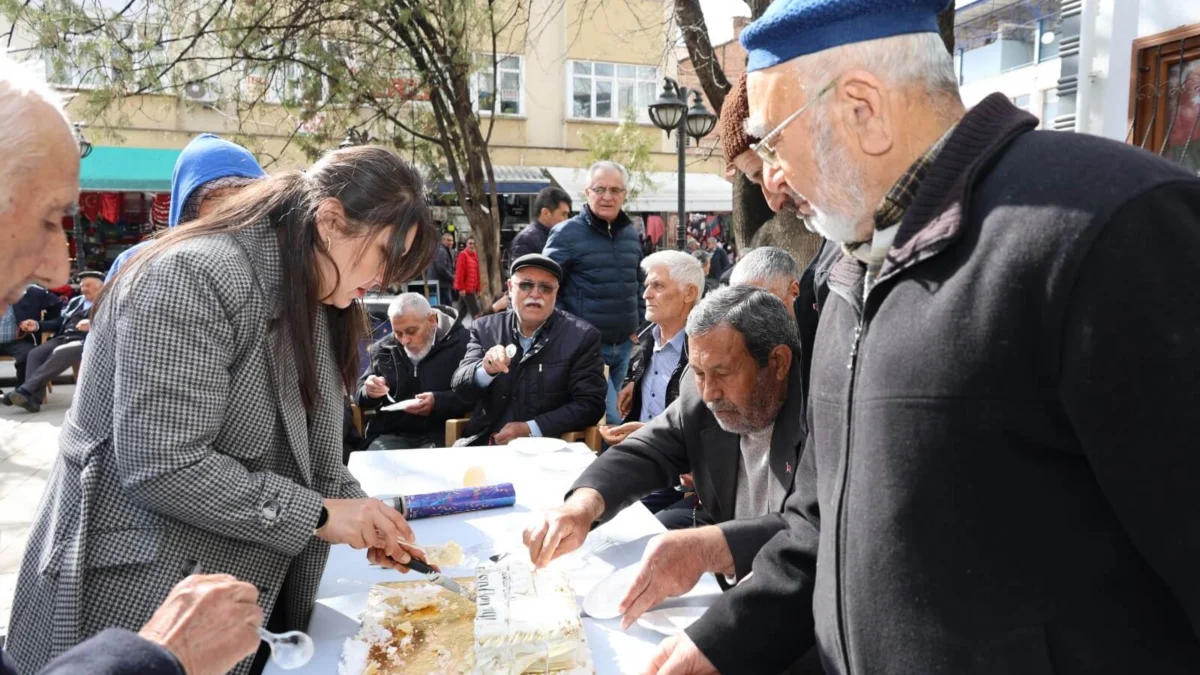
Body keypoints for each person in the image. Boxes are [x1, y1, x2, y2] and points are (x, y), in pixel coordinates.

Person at [644, 0, 1200, 672]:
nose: (775, 182)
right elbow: (822, 526)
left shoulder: (1110, 228)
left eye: (773, 142)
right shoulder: (850, 267)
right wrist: (720, 639)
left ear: (862, 107)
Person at [7, 145, 438, 675]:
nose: (385, 281)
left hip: (245, 594)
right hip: (144, 597)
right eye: (384, 257)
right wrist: (324, 516)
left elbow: (311, 457)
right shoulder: (193, 276)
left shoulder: (320, 294)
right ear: (330, 220)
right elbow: (164, 463)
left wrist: (365, 515)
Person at [0, 53, 266, 675]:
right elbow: (161, 452)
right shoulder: (162, 278)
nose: (61, 272)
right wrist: (158, 657)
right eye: (45, 219)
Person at [524, 286, 805, 609]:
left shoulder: (823, 413)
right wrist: (581, 508)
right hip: (729, 593)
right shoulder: (698, 393)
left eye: (723, 373)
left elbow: (810, 530)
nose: (710, 392)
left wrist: (710, 547)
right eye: (699, 373)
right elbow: (646, 450)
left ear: (778, 362)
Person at [451, 254, 606, 447]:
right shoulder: (485, 328)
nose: (535, 294)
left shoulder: (581, 336)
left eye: (545, 287)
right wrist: (485, 369)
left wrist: (531, 428)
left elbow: (590, 405)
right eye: (525, 285)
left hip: (547, 449)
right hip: (486, 444)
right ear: (509, 288)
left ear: (556, 293)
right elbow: (460, 389)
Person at [603, 251, 704, 521]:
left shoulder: (705, 351)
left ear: (689, 293)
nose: (646, 294)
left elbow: (709, 428)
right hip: (638, 457)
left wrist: (648, 434)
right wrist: (633, 385)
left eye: (658, 286)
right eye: (646, 286)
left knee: (606, 518)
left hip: (674, 475)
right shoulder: (650, 338)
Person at [544, 161, 642, 425]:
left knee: (610, 416)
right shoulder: (566, 233)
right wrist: (571, 331)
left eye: (615, 190)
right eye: (600, 189)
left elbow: (639, 283)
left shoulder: (630, 234)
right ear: (587, 192)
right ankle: (611, 466)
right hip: (588, 348)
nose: (607, 196)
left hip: (623, 346)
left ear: (624, 195)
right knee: (611, 420)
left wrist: (640, 326)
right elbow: (545, 285)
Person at [105, 133, 266, 281]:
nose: (229, 207)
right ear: (186, 207)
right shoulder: (136, 264)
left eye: (242, 195)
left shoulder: (275, 263)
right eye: (213, 197)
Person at [355, 293, 472, 449]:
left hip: (442, 436)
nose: (404, 340)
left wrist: (438, 402)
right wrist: (369, 390)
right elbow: (359, 395)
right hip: (391, 435)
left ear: (431, 321)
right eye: (398, 333)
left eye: (411, 331)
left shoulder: (463, 344)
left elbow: (474, 395)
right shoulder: (383, 349)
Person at [5, 271, 104, 412]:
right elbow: (60, 321)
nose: (84, 289)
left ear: (101, 287)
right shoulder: (76, 301)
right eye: (82, 286)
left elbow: (112, 323)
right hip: (63, 337)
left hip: (86, 340)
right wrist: (38, 325)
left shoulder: (107, 302)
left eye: (88, 285)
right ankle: (32, 400)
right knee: (35, 353)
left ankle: (24, 391)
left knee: (60, 352)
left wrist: (92, 324)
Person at [0, 284, 62, 395]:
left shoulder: (30, 291)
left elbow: (56, 304)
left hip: (18, 341)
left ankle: (21, 393)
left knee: (29, 355)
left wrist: (42, 324)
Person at [509, 186, 572, 262]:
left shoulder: (558, 236)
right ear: (546, 213)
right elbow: (522, 272)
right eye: (563, 214)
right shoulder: (526, 240)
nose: (567, 219)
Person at [453, 235, 481, 318]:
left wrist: (478, 288)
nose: (472, 245)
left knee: (461, 312)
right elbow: (459, 272)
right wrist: (461, 288)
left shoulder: (475, 256)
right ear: (466, 244)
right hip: (466, 289)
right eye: (470, 243)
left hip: (471, 288)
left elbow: (477, 274)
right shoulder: (463, 255)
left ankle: (453, 327)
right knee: (476, 312)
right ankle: (479, 329)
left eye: (473, 243)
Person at [433, 232, 457, 304]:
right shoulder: (442, 251)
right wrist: (452, 278)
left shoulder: (444, 250)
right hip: (442, 285)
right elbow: (441, 268)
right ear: (443, 240)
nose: (451, 242)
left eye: (452, 240)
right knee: (446, 306)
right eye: (448, 240)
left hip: (443, 284)